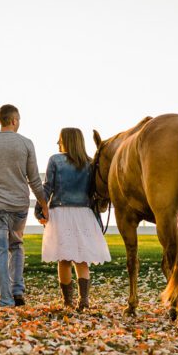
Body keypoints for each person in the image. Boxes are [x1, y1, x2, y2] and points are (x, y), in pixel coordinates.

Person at [0, 104, 49, 307]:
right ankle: (17, 291)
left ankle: (5, 299)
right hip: (19, 206)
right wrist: (43, 203)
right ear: (14, 120)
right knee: (16, 246)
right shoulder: (26, 144)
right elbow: (34, 179)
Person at [36, 127, 111, 310]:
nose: (57, 142)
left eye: (60, 139)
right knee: (82, 258)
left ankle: (68, 302)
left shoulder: (55, 160)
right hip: (84, 213)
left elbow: (47, 188)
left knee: (64, 259)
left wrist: (40, 207)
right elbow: (94, 192)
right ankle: (84, 300)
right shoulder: (90, 163)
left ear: (66, 141)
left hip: (61, 213)